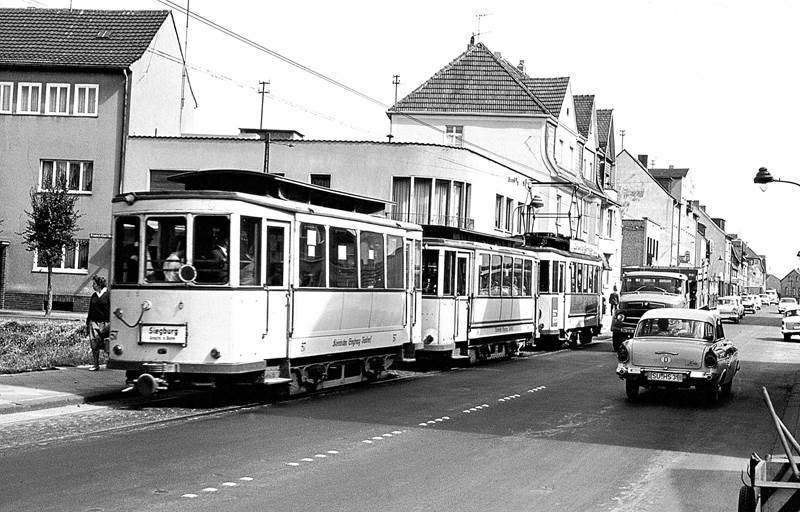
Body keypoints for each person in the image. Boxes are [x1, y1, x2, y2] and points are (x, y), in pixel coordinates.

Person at [85, 275, 110, 371]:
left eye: (94, 284)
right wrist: (88, 322)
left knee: (107, 343)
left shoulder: (108, 295)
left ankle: (109, 360)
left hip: (106, 323)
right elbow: (90, 310)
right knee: (94, 343)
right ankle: (96, 364)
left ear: (99, 284)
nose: (93, 286)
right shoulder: (94, 296)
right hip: (94, 322)